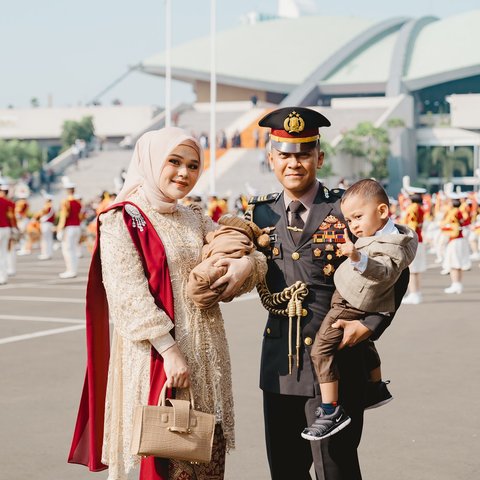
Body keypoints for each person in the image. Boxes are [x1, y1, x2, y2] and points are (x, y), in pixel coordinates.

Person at [68, 127, 267, 480]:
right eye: (174, 162)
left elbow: (242, 251)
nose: (184, 173)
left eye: (193, 165)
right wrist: (170, 350)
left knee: (205, 455)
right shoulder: (122, 218)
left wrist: (246, 264)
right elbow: (128, 296)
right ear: (151, 161)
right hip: (159, 358)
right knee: (168, 459)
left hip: (206, 357)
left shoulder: (194, 217)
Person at [245, 106, 410, 480]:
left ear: (319, 156)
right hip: (280, 365)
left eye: (303, 153)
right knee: (285, 471)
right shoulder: (259, 215)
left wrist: (369, 326)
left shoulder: (348, 209)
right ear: (271, 158)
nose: (294, 163)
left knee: (335, 468)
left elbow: (395, 269)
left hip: (338, 359)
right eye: (284, 154)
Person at [302, 179, 417, 441]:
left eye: (357, 218)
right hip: (349, 299)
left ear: (382, 212)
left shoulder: (390, 243)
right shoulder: (377, 233)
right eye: (349, 220)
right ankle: (375, 387)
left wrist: (357, 257)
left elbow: (390, 273)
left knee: (321, 350)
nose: (352, 225)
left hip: (350, 305)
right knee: (366, 347)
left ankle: (331, 411)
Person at [400, 185, 427, 305]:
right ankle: (416, 293)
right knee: (416, 270)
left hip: (413, 241)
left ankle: (414, 293)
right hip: (419, 240)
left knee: (412, 269)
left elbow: (412, 226)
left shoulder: (413, 208)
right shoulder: (418, 208)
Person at [440, 193, 471, 293]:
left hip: (455, 239)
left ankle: (455, 284)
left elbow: (453, 228)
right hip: (460, 240)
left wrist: (443, 228)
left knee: (454, 264)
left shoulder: (453, 212)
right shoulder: (459, 211)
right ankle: (458, 284)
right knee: (458, 263)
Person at [56, 179, 83, 278]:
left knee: (67, 250)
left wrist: (60, 229)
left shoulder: (65, 202)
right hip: (77, 227)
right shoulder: (78, 202)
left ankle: (70, 270)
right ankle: (73, 270)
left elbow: (63, 217)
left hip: (69, 228)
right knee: (74, 249)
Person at [36, 193, 56, 260]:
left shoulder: (47, 207)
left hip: (45, 224)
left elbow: (39, 215)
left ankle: (45, 254)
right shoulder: (52, 207)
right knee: (49, 239)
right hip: (50, 224)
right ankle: (49, 253)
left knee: (44, 239)